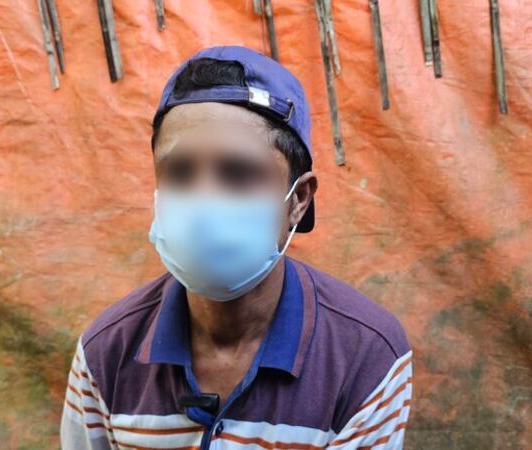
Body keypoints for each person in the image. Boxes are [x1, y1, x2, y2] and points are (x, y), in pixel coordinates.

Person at [60, 45, 412, 450]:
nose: (203, 201)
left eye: (238, 173)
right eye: (179, 172)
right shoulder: (105, 354)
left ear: (298, 200)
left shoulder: (364, 356)